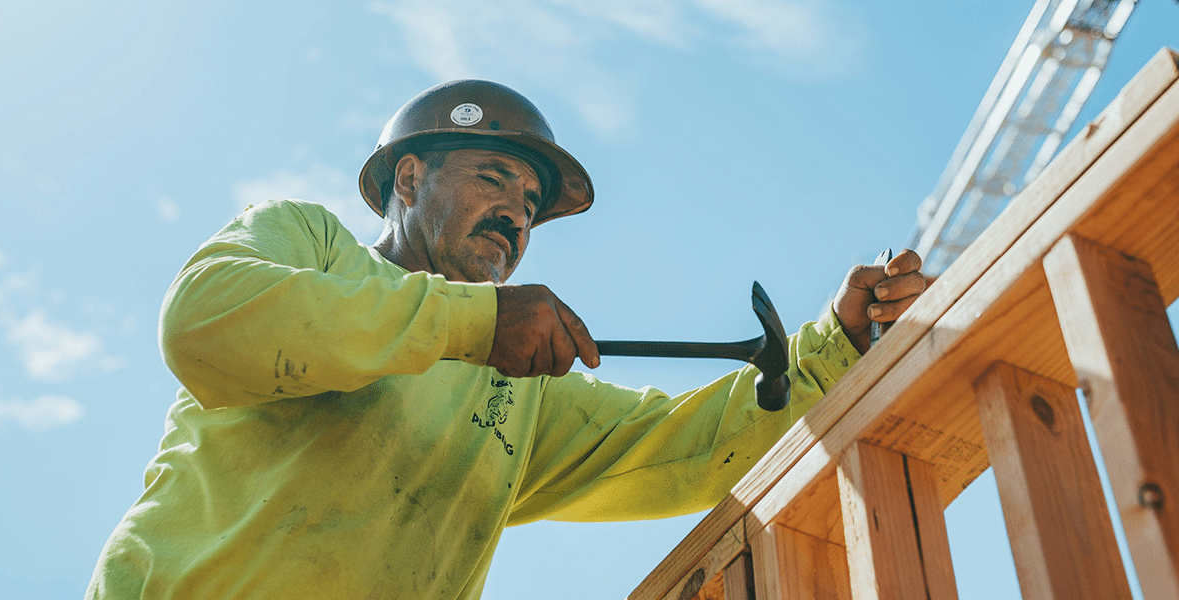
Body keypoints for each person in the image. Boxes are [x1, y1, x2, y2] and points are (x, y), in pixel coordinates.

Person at [86, 80, 925, 599]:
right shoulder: (310, 246)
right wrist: (474, 324)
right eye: (494, 177)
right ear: (408, 179)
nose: (517, 214)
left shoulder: (516, 395)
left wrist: (835, 352)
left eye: (531, 204)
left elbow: (690, 450)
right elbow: (205, 322)